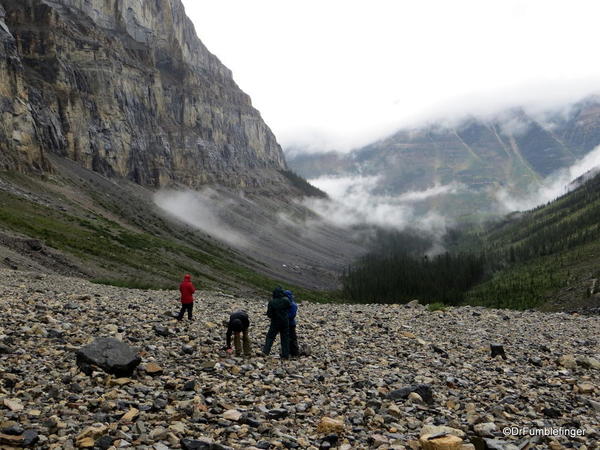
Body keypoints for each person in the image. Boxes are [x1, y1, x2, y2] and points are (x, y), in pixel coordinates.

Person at [262, 286, 291, 359]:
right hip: (285, 321)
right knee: (285, 338)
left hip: (275, 322)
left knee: (270, 336)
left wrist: (273, 316)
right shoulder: (286, 300)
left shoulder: (272, 302)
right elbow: (289, 307)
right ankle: (285, 355)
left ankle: (266, 352)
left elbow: (269, 314)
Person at [284, 289, 300, 357]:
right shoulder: (289, 303)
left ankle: (295, 353)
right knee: (287, 338)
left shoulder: (293, 305)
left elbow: (292, 315)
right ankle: (289, 352)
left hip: (290, 324)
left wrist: (283, 316)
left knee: (292, 338)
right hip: (287, 323)